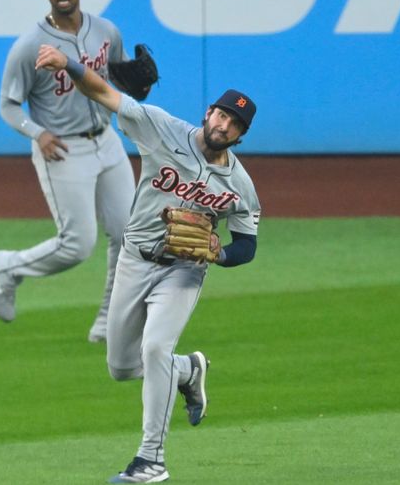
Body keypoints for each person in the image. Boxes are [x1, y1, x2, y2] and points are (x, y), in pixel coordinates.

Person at [35, 45, 261, 483]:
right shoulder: (161, 128)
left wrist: (219, 253)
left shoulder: (240, 184)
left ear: (239, 136)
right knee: (122, 366)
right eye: (221, 114)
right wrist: (69, 64)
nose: (224, 124)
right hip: (134, 261)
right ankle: (187, 369)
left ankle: (151, 459)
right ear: (208, 111)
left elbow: (247, 244)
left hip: (183, 271)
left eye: (234, 124)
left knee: (155, 347)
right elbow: (104, 93)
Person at [0, 0, 142, 343]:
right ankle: (10, 267)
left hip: (107, 143)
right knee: (77, 245)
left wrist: (138, 84)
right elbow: (8, 105)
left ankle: (109, 321)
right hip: (62, 149)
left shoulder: (106, 31)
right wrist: (36, 133)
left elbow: (119, 81)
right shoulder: (29, 46)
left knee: (129, 234)